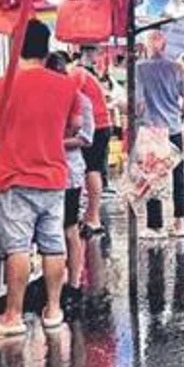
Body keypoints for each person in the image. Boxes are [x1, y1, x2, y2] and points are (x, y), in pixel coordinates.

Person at [0, 20, 81, 337]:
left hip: (16, 175)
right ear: (46, 48)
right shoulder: (66, 85)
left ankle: (13, 315)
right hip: (53, 176)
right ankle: (53, 309)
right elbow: (75, 126)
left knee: (18, 247)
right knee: (53, 245)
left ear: (17, 46)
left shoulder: (3, 86)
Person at [45, 53, 96, 298]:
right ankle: (56, 283)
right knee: (51, 231)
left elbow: (86, 138)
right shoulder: (45, 100)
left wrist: (55, 142)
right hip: (45, 172)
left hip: (69, 174)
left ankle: (74, 284)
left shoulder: (80, 101)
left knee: (69, 228)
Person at [132, 29, 184, 238]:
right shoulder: (177, 68)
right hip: (174, 127)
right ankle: (179, 222)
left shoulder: (139, 69)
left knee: (152, 177)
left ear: (147, 46)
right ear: (165, 46)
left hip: (152, 129)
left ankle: (155, 226)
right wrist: (178, 115)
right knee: (178, 175)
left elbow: (137, 104)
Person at [74, 46, 112, 235]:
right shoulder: (84, 74)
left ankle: (94, 217)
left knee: (92, 170)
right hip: (99, 125)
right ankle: (91, 215)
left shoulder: (77, 73)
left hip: (97, 126)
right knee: (91, 169)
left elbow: (69, 96)